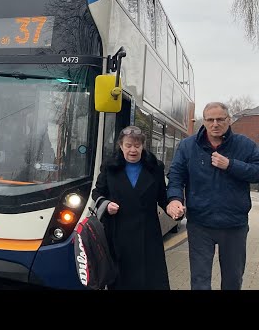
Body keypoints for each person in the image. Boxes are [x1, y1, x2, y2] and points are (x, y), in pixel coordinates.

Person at [166, 102, 259, 290]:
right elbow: (176, 175)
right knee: (200, 281)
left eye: (220, 119)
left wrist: (231, 165)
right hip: (200, 224)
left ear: (229, 120)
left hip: (234, 225)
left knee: (233, 281)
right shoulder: (188, 146)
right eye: (210, 120)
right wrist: (175, 199)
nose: (215, 124)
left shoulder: (245, 145)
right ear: (204, 122)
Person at [91, 125, 170, 290]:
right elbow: (98, 192)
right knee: (121, 280)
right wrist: (106, 205)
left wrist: (172, 207)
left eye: (137, 145)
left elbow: (162, 196)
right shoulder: (110, 166)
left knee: (149, 280)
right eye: (128, 145)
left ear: (143, 146)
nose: (133, 150)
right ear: (121, 146)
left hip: (147, 234)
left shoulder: (155, 167)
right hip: (117, 232)